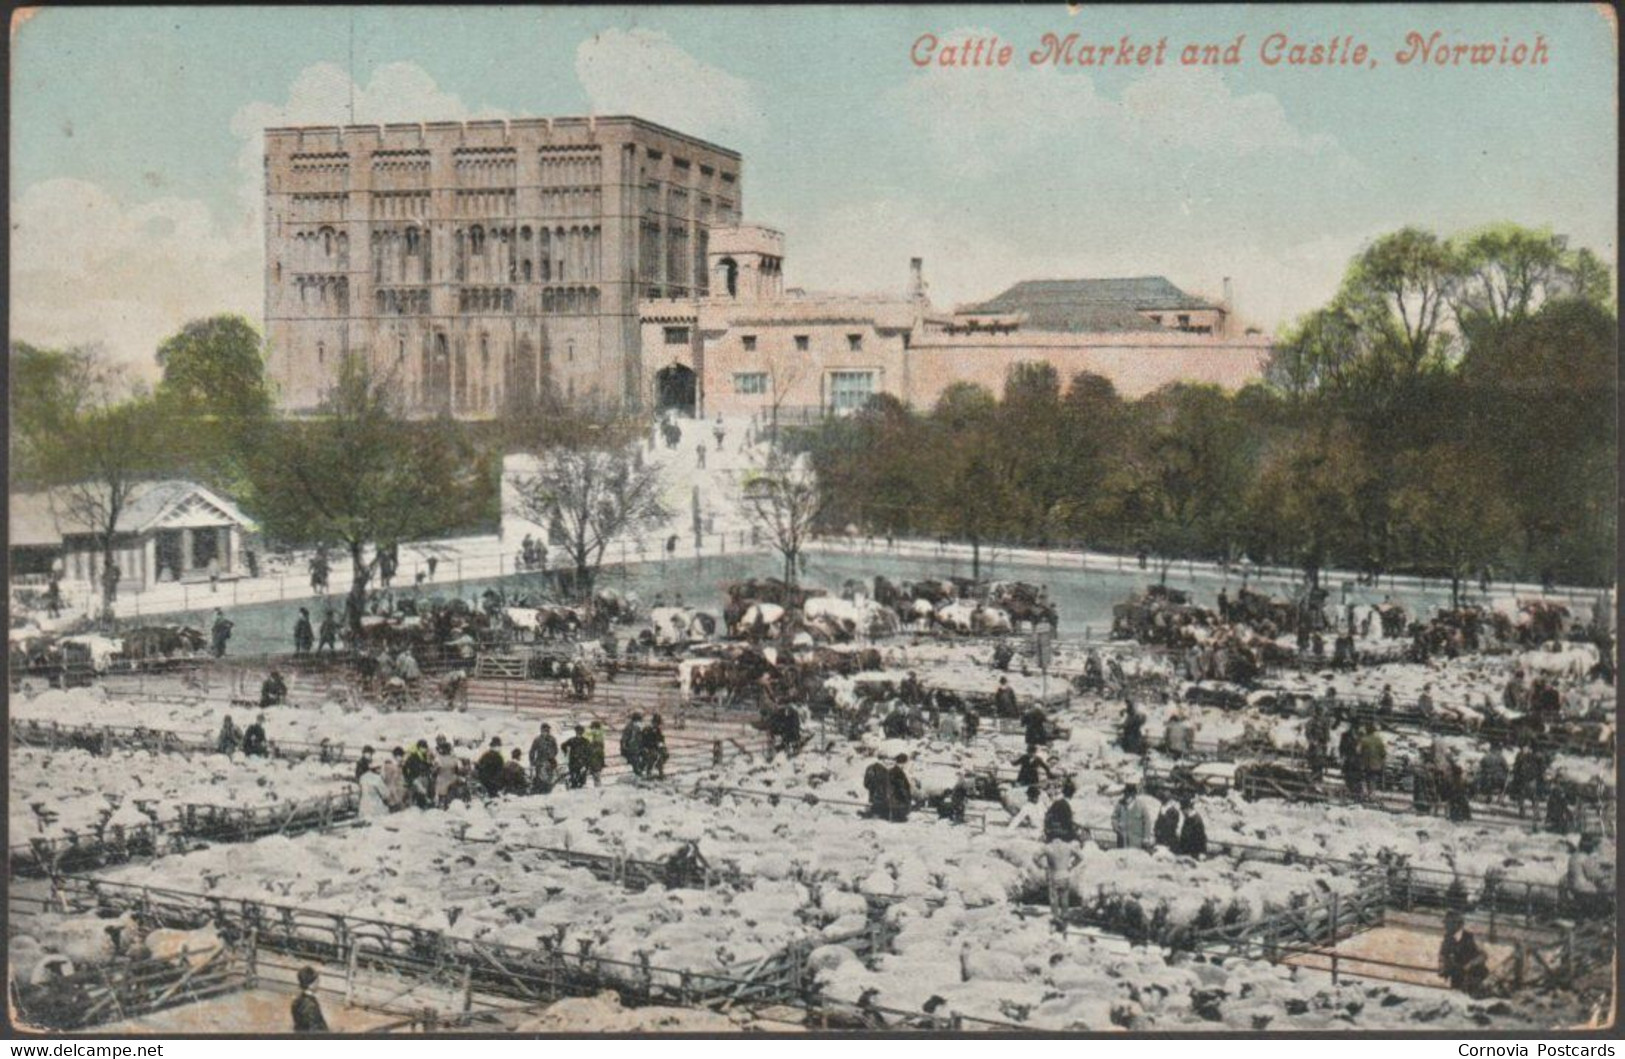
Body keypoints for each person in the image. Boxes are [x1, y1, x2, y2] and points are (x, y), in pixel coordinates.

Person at [1438, 911, 1489, 996]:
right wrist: (1443, 966)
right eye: (1446, 923)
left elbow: (1483, 956)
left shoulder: (1471, 937)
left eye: (1448, 923)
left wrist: (1470, 964)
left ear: (1457, 925)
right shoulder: (1447, 939)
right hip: (1457, 978)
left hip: (1474, 977)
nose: (1445, 926)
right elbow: (1443, 954)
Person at [1112, 782, 1156, 850]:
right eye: (1125, 794)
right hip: (1122, 840)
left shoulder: (1141, 806)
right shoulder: (1120, 804)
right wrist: (1116, 826)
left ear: (1133, 795)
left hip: (1136, 841)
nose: (1126, 796)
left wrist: (1146, 837)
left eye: (1129, 794)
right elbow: (1114, 817)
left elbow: (1147, 822)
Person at [291, 966, 328, 1032]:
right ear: (311, 985)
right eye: (317, 981)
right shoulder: (311, 1005)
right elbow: (315, 1028)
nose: (318, 984)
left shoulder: (296, 1001)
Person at [403, 740, 434, 807]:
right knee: (421, 791)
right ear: (419, 748)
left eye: (425, 748)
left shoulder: (425, 757)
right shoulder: (413, 757)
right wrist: (408, 778)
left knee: (426, 790)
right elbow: (405, 767)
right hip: (415, 777)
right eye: (423, 747)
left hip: (424, 777)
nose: (424, 749)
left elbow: (429, 767)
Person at [529, 723, 559, 792]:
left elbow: (556, 749)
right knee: (540, 778)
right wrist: (532, 761)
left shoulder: (552, 739)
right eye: (544, 731)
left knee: (549, 777)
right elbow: (532, 751)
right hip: (540, 761)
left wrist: (552, 755)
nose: (546, 732)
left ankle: (548, 788)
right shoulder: (537, 740)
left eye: (547, 731)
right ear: (541, 731)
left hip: (550, 761)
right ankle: (541, 789)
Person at [886, 754, 913, 822]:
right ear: (903, 763)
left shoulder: (892, 771)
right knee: (899, 821)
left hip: (895, 801)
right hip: (899, 802)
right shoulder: (897, 772)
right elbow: (901, 787)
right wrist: (907, 799)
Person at [863, 754, 891, 819]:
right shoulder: (885, 770)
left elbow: (865, 783)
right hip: (882, 798)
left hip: (872, 797)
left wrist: (871, 788)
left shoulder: (869, 767)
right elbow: (887, 785)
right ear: (884, 760)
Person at [641, 714, 669, 778]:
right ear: (653, 722)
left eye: (658, 723)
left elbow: (661, 739)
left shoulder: (658, 730)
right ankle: (649, 771)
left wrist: (662, 745)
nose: (657, 725)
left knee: (665, 754)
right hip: (647, 748)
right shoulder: (647, 730)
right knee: (653, 755)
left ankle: (659, 769)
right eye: (656, 723)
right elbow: (644, 741)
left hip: (655, 747)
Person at [585, 721, 607, 786]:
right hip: (596, 758)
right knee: (596, 775)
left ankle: (597, 786)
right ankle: (598, 785)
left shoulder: (597, 736)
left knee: (596, 775)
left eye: (593, 728)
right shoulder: (599, 735)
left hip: (595, 759)